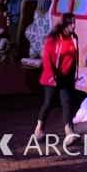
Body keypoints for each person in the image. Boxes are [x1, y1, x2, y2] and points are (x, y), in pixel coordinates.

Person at [35, 12, 79, 148]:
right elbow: (47, 58)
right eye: (71, 23)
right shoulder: (53, 38)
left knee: (66, 103)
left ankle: (69, 132)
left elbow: (75, 58)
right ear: (65, 24)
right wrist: (50, 75)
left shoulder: (74, 38)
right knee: (48, 103)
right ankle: (39, 128)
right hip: (52, 77)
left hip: (66, 77)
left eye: (74, 23)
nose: (73, 25)